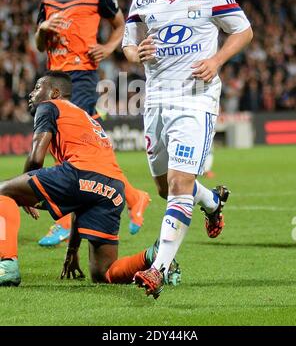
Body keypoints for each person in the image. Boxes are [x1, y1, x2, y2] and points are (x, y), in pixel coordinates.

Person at [122, 0, 253, 298]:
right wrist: (136, 53)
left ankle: (158, 269)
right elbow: (128, 46)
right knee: (165, 188)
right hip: (156, 102)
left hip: (196, 100)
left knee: (180, 184)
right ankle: (212, 201)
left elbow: (244, 32)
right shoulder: (143, 1)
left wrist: (217, 59)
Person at [0, 72, 179, 287]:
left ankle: (6, 264)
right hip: (113, 188)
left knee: (3, 191)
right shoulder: (84, 117)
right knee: (103, 273)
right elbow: (81, 195)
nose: (31, 93)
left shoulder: (48, 106)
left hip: (80, 174)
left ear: (55, 93)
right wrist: (72, 249)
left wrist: (24, 188)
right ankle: (153, 257)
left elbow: (37, 157)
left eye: (37, 87)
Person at [34, 0, 150, 245]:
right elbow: (37, 43)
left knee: (71, 145)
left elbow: (121, 24)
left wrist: (108, 47)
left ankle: (61, 220)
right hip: (53, 77)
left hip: (81, 76)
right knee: (79, 148)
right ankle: (134, 196)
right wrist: (42, 31)